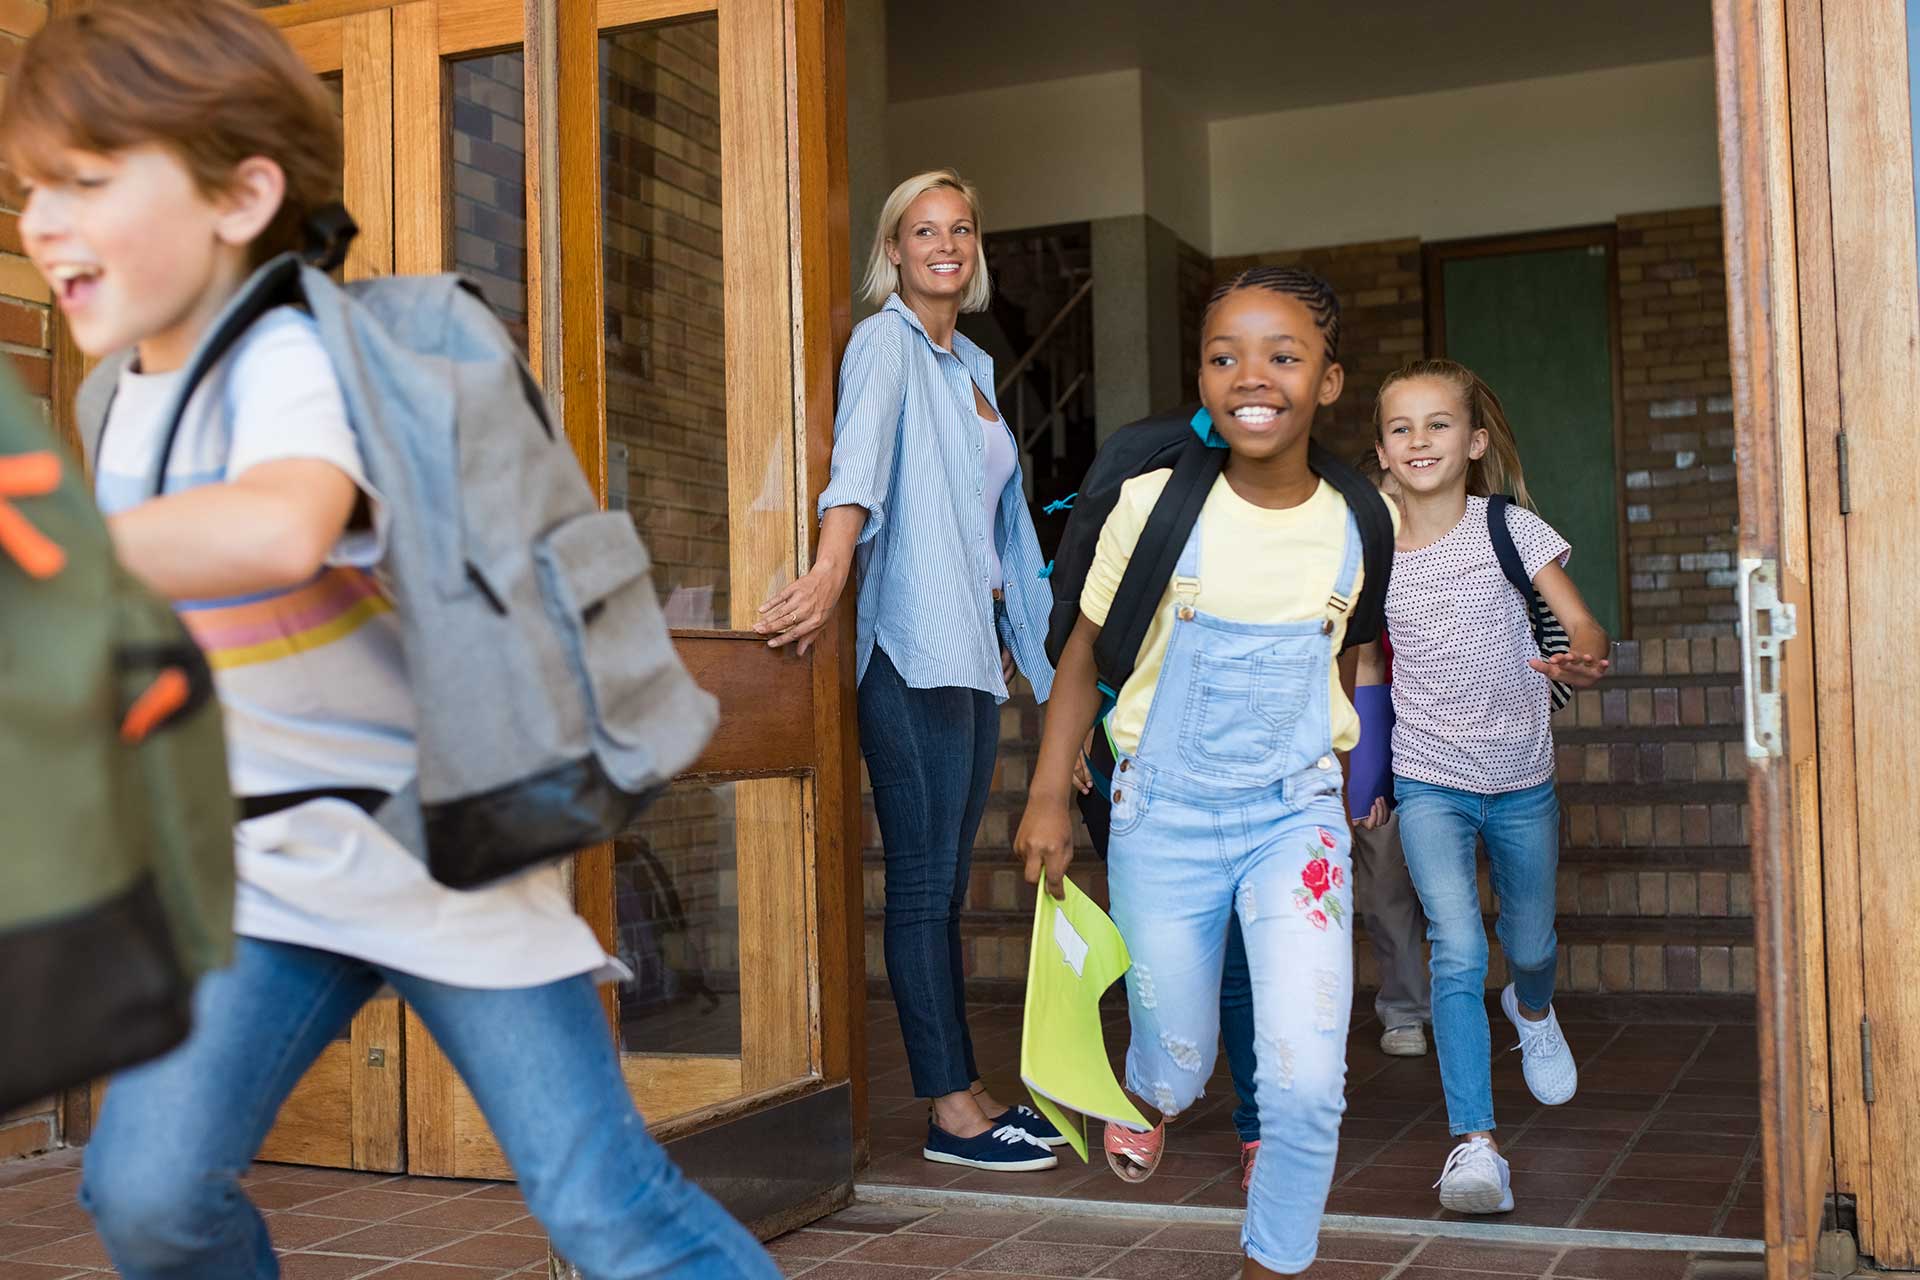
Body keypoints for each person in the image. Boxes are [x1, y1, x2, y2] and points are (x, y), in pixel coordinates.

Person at [3, 4, 780, 1276]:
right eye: (32, 189)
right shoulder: (115, 397)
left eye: (85, 182)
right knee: (144, 1192)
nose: (43, 223)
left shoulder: (294, 353)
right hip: (263, 864)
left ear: (242, 195)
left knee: (602, 1206)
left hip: (439, 846)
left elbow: (281, 522)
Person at [1018, 267, 1391, 1278]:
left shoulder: (1361, 520)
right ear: (1201, 375)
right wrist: (1051, 793)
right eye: (1224, 355)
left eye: (1283, 355)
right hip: (1161, 812)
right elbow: (1083, 657)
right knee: (1178, 1060)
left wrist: (1365, 778)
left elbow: (1355, 657)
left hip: (1295, 816)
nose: (1250, 375)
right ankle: (1151, 1085)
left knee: (1309, 1079)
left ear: (1329, 380)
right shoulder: (1154, 505)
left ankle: (1269, 1260)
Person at [755, 168, 1064, 1173]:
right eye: (924, 231)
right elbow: (858, 463)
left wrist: (1047, 673)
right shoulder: (886, 341)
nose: (945, 245)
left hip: (970, 655)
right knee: (925, 882)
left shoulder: (968, 363)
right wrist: (833, 565)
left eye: (961, 230)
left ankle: (966, 1089)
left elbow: (1005, 531)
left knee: (945, 886)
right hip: (908, 647)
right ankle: (951, 1111)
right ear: (894, 251)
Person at [1371, 358, 1610, 1215]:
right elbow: (1364, 662)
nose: (1419, 440)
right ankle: (1474, 1145)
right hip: (1429, 777)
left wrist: (1585, 647)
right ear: (1383, 450)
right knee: (1457, 949)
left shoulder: (1509, 527)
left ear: (1472, 442)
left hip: (1520, 779)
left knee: (1531, 943)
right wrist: (1366, 769)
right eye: (1402, 427)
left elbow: (1578, 617)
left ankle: (1533, 1010)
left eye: (1438, 424)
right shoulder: (1371, 545)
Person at [1219, 463, 1429, 1195]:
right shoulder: (1331, 575)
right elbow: (1337, 667)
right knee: (1319, 902)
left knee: (1389, 887)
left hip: (1399, 736)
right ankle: (1313, 1043)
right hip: (1332, 742)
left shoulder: (1418, 579)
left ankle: (1404, 1005)